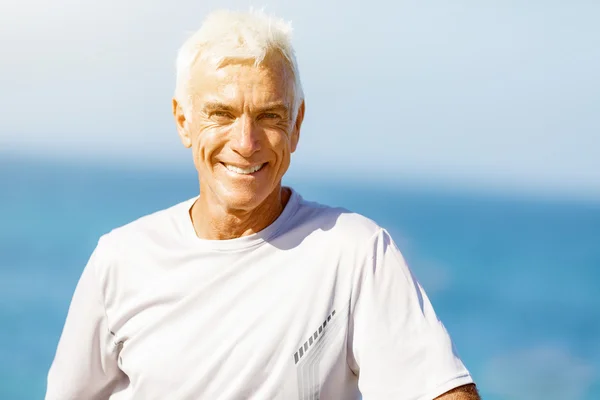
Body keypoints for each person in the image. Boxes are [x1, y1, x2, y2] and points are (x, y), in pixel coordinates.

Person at [45, 9, 480, 400]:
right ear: (184, 121)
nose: (246, 143)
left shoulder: (355, 253)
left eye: (270, 116)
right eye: (222, 113)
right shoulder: (120, 260)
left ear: (296, 125)